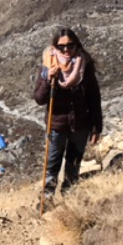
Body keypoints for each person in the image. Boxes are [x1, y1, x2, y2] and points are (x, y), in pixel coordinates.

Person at [34, 27, 102, 201]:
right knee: (52, 164)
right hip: (56, 125)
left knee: (74, 163)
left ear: (77, 45)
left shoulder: (84, 66)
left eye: (70, 45)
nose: (66, 49)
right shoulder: (48, 65)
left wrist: (96, 127)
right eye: (61, 46)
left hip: (80, 124)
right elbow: (39, 98)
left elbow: (94, 99)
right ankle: (47, 199)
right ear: (55, 47)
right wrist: (48, 79)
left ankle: (69, 198)